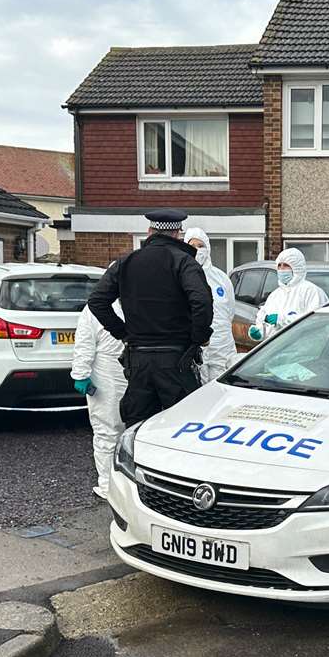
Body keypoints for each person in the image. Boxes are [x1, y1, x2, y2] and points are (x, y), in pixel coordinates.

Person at [87, 208, 212, 426]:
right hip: (176, 359)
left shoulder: (126, 262)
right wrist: (198, 337)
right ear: (178, 233)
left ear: (149, 231)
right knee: (182, 425)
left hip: (139, 360)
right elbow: (201, 302)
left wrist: (123, 333)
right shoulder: (183, 262)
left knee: (138, 428)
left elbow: (97, 301)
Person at [70, 295, 127, 501]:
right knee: (107, 428)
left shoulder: (135, 300)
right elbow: (85, 342)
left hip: (132, 369)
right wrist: (81, 373)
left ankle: (126, 484)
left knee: (131, 430)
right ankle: (107, 484)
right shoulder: (96, 308)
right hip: (106, 371)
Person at [184, 227, 238, 382]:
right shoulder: (180, 277)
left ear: (207, 248)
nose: (197, 250)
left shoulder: (221, 278)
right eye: (192, 246)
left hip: (222, 348)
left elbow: (230, 311)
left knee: (222, 390)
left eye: (201, 246)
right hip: (194, 347)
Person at [249, 247, 327, 342]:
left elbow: (316, 322)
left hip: (303, 350)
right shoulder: (275, 295)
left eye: (286, 265)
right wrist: (260, 332)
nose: (281, 269)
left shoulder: (311, 292)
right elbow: (265, 320)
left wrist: (282, 320)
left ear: (297, 268)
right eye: (279, 266)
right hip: (277, 349)